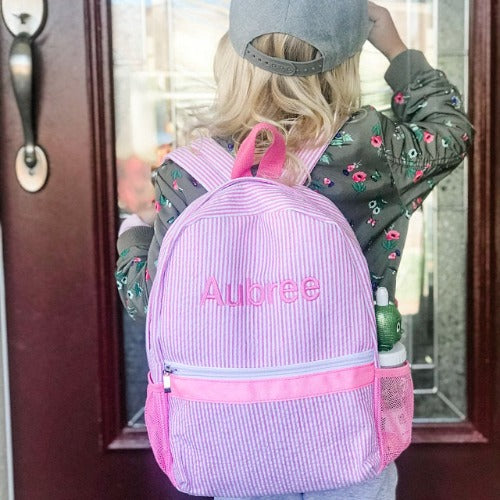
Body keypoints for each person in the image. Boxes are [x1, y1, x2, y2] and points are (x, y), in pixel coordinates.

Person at [116, 1, 472, 498]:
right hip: (349, 435)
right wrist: (394, 45)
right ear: (346, 66)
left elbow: (145, 298)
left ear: (232, 59)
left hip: (230, 441)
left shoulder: (188, 175)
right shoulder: (372, 150)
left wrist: (134, 233)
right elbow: (451, 130)